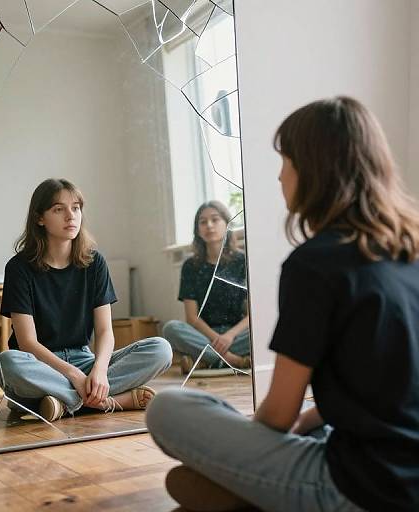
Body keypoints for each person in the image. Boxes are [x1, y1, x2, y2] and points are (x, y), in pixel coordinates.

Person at [146, 96, 419, 512]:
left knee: (168, 407)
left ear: (315, 170)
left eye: (285, 160)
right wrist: (306, 423)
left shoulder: (315, 263)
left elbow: (277, 414)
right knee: (194, 479)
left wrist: (250, 442)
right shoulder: (409, 251)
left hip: (362, 488)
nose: (279, 176)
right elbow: (384, 388)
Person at [0, 178, 172, 422]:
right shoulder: (18, 268)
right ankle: (109, 401)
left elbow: (104, 331)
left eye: (76, 207)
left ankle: (60, 403)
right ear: (40, 218)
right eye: (59, 209)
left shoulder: (94, 263)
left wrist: (99, 371)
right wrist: (75, 376)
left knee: (160, 349)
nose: (71, 216)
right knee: (9, 363)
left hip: (84, 359)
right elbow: (27, 343)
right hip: (40, 364)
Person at [163, 200, 251, 373]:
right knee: (171, 328)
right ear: (197, 229)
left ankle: (205, 360)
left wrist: (229, 336)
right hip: (204, 334)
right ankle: (236, 361)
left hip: (237, 335)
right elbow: (191, 317)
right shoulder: (191, 266)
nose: (209, 225)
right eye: (203, 222)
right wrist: (217, 338)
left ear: (227, 223)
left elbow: (251, 315)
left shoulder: (242, 261)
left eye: (215, 219)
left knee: (270, 325)